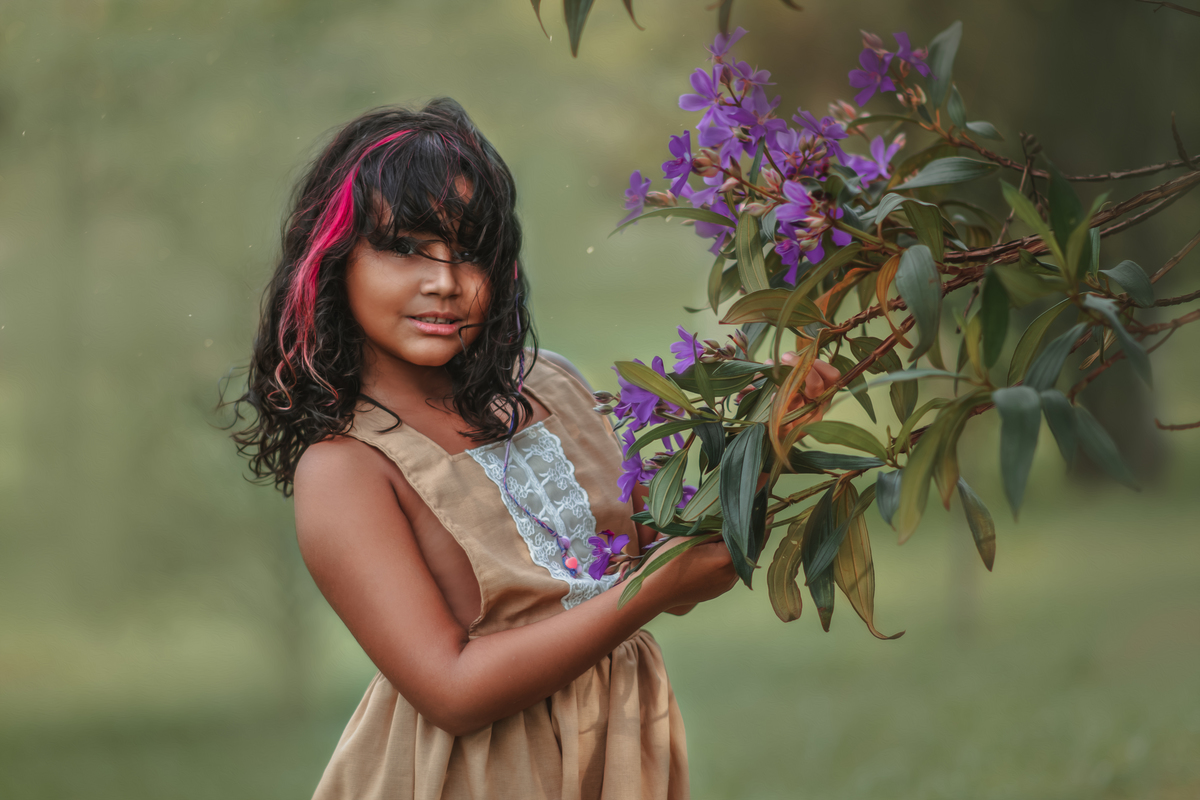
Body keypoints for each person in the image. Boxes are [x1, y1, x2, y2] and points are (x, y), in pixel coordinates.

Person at [231, 98, 837, 800]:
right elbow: (452, 690)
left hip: (613, 755)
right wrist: (649, 589)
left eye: (471, 252)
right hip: (474, 776)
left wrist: (767, 441)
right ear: (335, 260)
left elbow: (676, 562)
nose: (445, 282)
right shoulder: (345, 468)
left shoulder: (550, 386)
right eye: (404, 247)